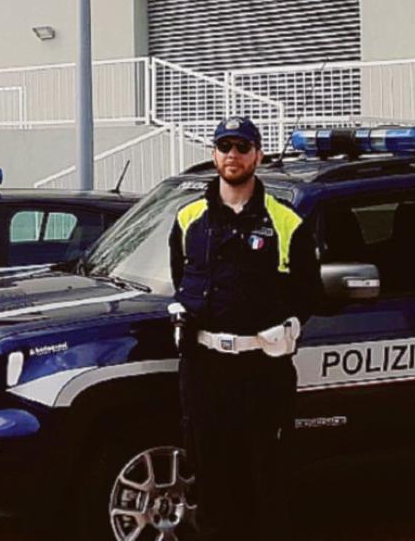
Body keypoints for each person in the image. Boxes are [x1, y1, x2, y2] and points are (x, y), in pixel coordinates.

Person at [168, 117, 322, 541]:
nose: (232, 155)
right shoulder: (188, 219)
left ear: (258, 154)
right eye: (224, 146)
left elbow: (309, 293)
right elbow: (182, 279)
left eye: (242, 146)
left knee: (266, 477)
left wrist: (288, 326)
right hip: (205, 370)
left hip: (263, 372)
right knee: (212, 478)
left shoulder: (286, 222)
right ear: (214, 154)